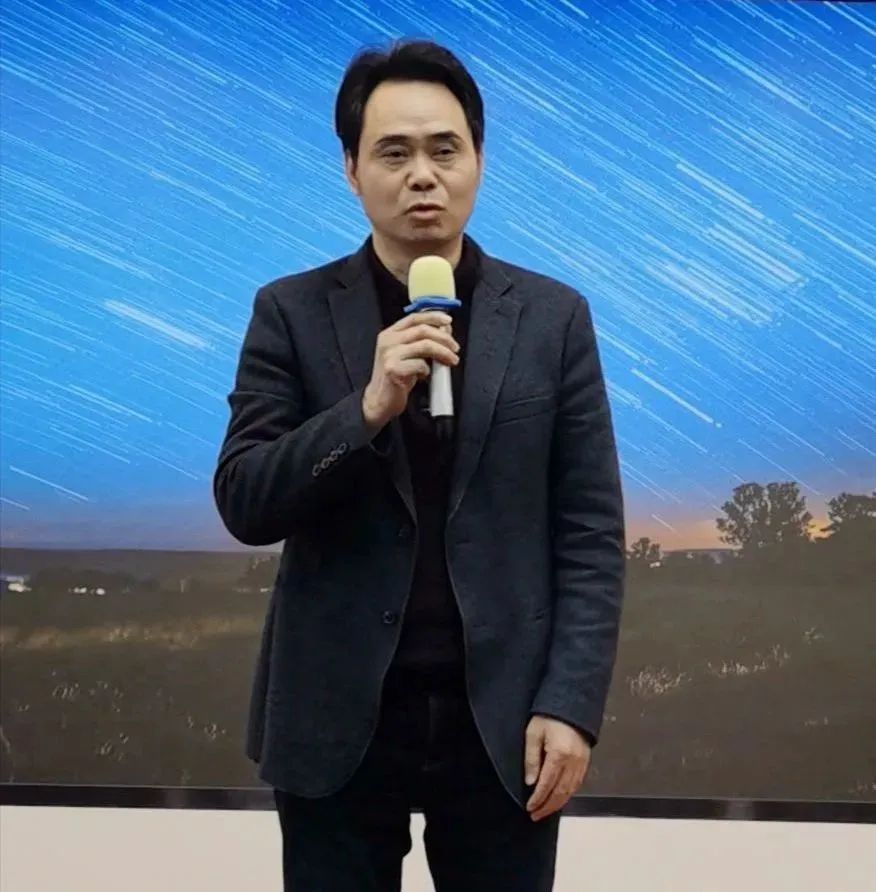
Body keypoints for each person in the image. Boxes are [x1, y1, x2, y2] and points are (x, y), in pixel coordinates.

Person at [213, 38, 625, 892]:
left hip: (504, 719)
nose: (423, 176)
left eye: (445, 150)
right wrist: (364, 408)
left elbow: (589, 532)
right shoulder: (289, 311)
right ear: (351, 170)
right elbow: (246, 500)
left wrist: (571, 705)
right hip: (336, 717)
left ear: (479, 160)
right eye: (394, 153)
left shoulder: (552, 319)